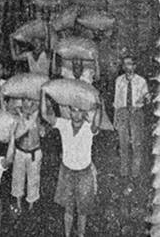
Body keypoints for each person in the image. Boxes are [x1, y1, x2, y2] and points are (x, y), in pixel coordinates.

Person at [41, 89, 101, 237]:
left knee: (82, 211)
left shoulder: (88, 128)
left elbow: (97, 123)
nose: (76, 115)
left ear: (84, 112)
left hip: (84, 173)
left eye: (79, 111)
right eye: (73, 111)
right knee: (68, 209)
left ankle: (81, 235)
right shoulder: (64, 124)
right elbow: (45, 115)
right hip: (67, 172)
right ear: (69, 111)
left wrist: (99, 105)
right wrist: (43, 94)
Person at [113, 56, 149, 178]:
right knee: (123, 143)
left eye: (130, 64)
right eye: (125, 64)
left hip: (136, 112)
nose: (127, 67)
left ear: (134, 66)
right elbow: (116, 101)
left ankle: (135, 173)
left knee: (136, 143)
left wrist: (145, 99)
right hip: (122, 112)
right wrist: (115, 118)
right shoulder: (119, 80)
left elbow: (146, 97)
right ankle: (124, 172)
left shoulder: (141, 81)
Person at [10, 98, 45, 215]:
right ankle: (18, 204)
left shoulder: (38, 116)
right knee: (17, 178)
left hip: (34, 152)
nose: (26, 103)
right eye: (24, 100)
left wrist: (41, 129)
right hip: (20, 151)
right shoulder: (17, 115)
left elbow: (42, 131)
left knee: (33, 179)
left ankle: (31, 206)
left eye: (29, 100)